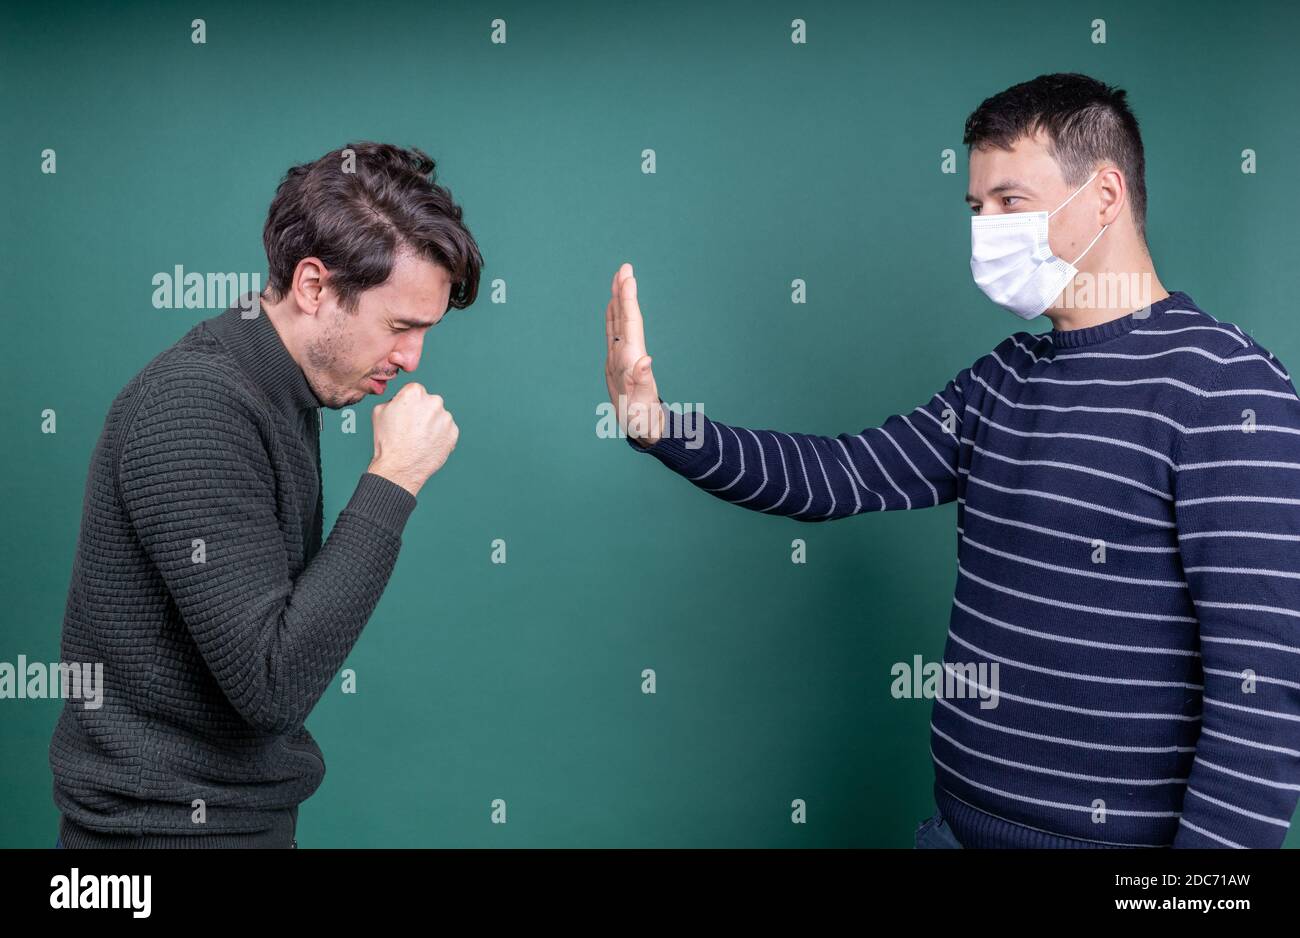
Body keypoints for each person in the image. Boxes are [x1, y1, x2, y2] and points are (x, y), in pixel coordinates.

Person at [606, 73, 1300, 848]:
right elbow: (842, 477)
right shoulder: (1003, 378)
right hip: (956, 834)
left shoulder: (1227, 389)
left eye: (1010, 202)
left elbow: (1262, 698)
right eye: (976, 208)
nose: (987, 230)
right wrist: (661, 425)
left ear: (1105, 196)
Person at [49, 142, 480, 847]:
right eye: (400, 326)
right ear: (313, 286)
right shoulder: (196, 407)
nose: (410, 359)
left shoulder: (280, 393)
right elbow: (272, 684)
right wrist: (394, 479)